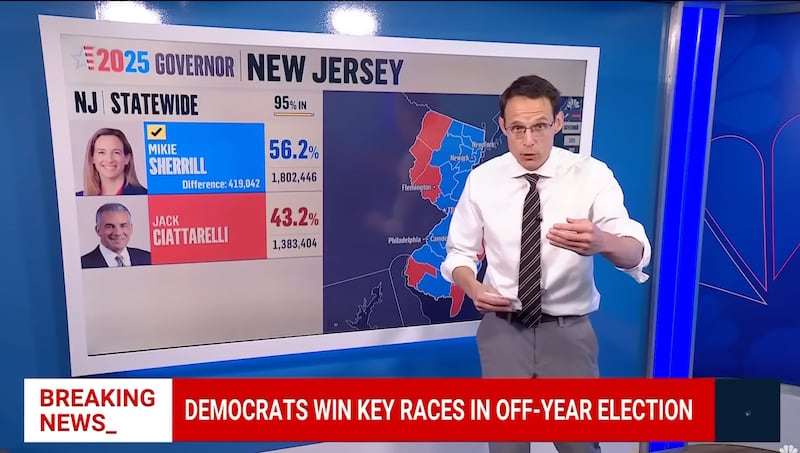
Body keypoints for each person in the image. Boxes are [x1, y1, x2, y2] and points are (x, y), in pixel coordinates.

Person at [441, 75, 651, 453]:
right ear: (503, 126)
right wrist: (472, 287)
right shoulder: (482, 180)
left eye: (539, 126)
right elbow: (458, 254)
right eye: (517, 128)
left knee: (579, 447)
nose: (528, 141)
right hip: (503, 332)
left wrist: (602, 241)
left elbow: (635, 252)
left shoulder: (591, 175)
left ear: (558, 122)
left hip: (568, 334)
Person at [76, 128, 147, 196]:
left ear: (127, 158)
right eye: (101, 152)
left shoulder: (146, 196)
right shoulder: (77, 199)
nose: (109, 160)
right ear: (92, 158)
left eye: (116, 152)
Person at [81, 203, 151, 268]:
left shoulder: (148, 258)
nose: (118, 233)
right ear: (98, 230)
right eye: (110, 226)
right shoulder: (82, 264)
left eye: (123, 226)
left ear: (131, 228)